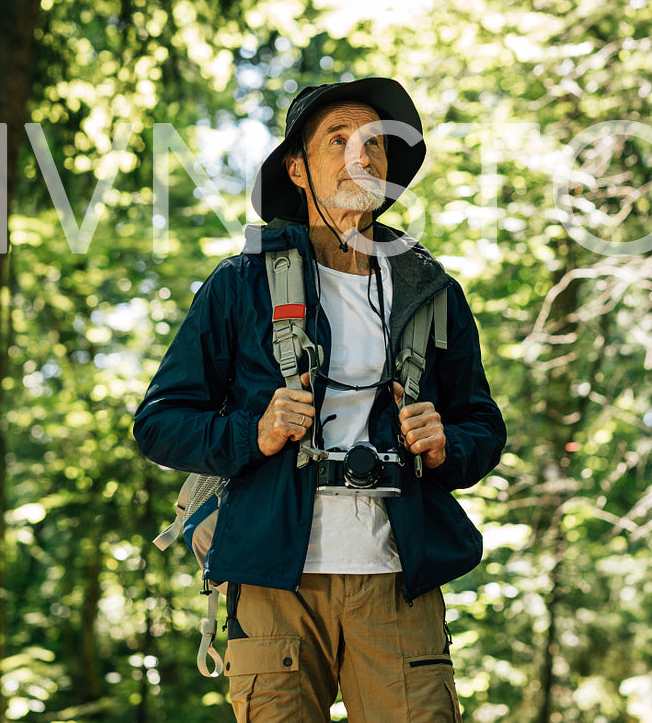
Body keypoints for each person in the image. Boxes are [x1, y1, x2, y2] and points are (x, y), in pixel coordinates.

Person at [133, 78, 506, 722]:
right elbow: (160, 424)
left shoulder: (433, 289)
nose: (362, 154)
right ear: (298, 170)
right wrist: (255, 432)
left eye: (375, 143)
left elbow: (482, 427)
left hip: (397, 581)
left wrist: (448, 444)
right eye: (339, 140)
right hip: (274, 580)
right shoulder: (242, 282)